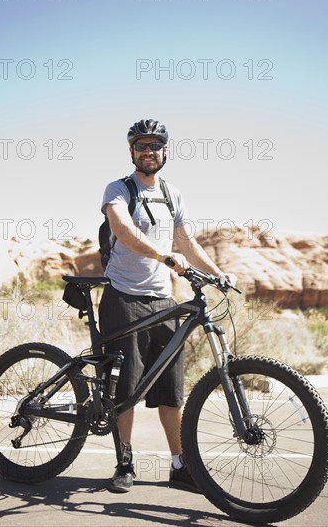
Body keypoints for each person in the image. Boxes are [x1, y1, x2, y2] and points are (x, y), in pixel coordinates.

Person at [98, 119, 236, 493]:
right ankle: (124, 462)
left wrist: (218, 273)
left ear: (165, 151)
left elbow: (186, 242)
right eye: (142, 146)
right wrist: (163, 255)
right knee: (126, 386)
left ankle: (179, 465)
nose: (149, 152)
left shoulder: (173, 194)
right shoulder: (119, 189)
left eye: (155, 146)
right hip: (123, 298)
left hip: (162, 301)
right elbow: (124, 231)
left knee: (172, 389)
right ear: (132, 151)